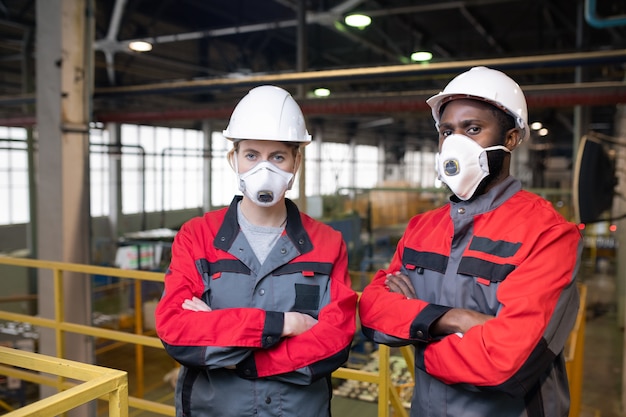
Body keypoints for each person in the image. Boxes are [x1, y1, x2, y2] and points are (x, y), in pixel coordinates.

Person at [358, 66, 582, 417]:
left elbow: (509, 361)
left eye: (472, 129)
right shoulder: (422, 228)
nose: (455, 142)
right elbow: (372, 311)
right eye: (447, 131)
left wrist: (419, 337)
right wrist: (456, 319)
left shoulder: (548, 233)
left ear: (510, 139)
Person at [155, 85, 358, 417]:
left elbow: (334, 344)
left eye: (278, 156)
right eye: (252, 155)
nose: (265, 169)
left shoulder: (328, 243)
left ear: (296, 162)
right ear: (233, 159)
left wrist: (225, 337)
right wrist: (285, 324)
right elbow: (178, 334)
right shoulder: (197, 237)